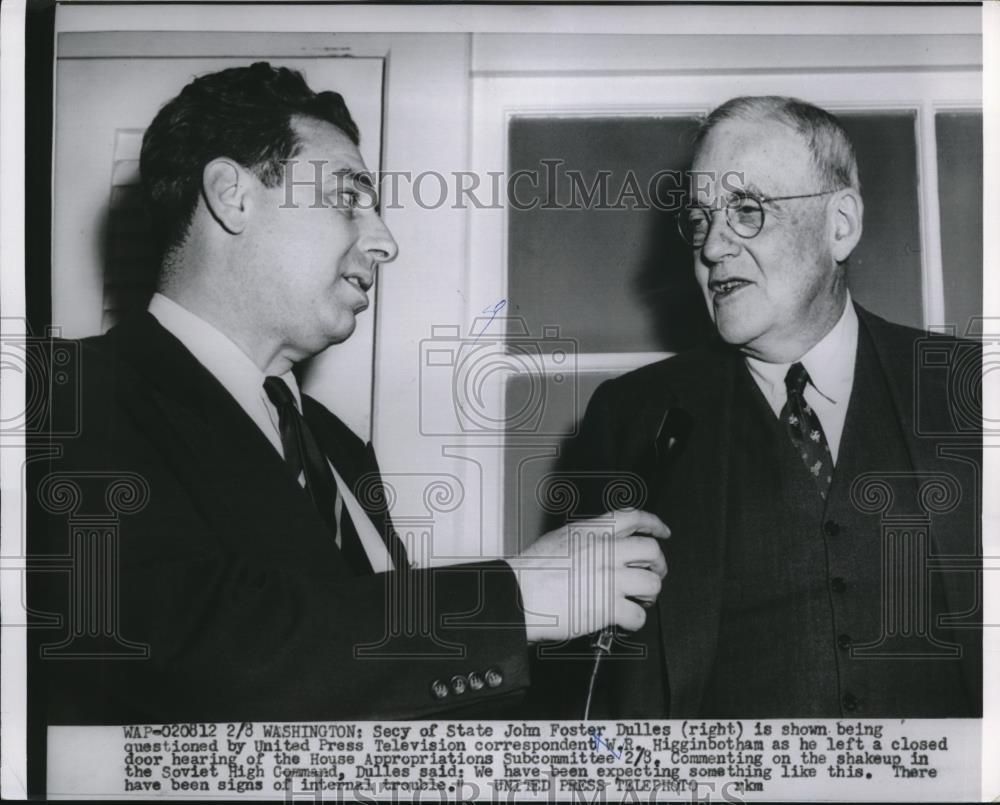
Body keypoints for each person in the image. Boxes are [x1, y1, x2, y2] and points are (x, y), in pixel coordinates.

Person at [28, 62, 669, 725]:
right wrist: (513, 598)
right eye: (348, 198)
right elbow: (169, 648)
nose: (385, 241)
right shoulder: (67, 393)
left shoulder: (337, 447)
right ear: (232, 196)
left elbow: (368, 681)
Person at [532, 96, 981, 719]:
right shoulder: (629, 419)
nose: (713, 247)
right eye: (700, 220)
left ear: (840, 225)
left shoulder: (970, 391)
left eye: (747, 210)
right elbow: (589, 690)